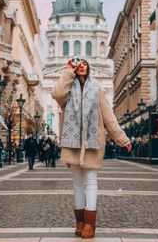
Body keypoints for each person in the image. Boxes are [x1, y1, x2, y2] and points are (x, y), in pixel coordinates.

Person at [51, 57, 132, 239]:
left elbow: (108, 116)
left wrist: (122, 139)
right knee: (78, 184)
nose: (81, 67)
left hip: (92, 142)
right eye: (78, 65)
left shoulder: (98, 89)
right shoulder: (67, 89)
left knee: (91, 182)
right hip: (73, 143)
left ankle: (90, 224)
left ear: (89, 68)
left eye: (84, 64)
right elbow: (56, 94)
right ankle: (79, 223)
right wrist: (68, 72)